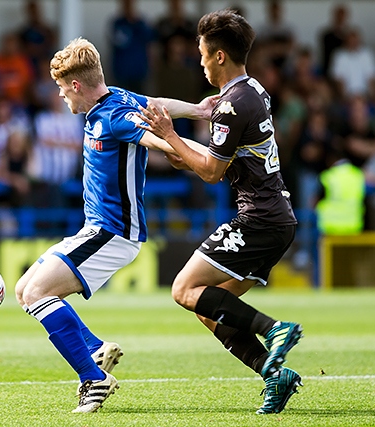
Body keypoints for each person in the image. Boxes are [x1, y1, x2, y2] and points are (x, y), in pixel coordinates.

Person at [14, 37, 215, 414]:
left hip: (114, 232)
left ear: (76, 85)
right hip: (96, 228)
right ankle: (93, 350)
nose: (61, 97)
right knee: (25, 289)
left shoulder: (113, 117)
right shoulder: (115, 98)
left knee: (39, 292)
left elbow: (157, 137)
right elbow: (156, 107)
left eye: (62, 89)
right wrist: (199, 111)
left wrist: (205, 156)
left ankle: (93, 379)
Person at [137, 9, 303, 415]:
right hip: (276, 219)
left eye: (202, 55)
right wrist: (180, 150)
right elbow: (218, 160)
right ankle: (273, 374)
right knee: (208, 305)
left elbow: (212, 172)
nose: (201, 62)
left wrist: (171, 135)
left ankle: (274, 329)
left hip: (258, 219)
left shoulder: (232, 104)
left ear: (220, 57)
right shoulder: (255, 92)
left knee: (183, 290)